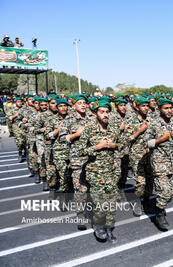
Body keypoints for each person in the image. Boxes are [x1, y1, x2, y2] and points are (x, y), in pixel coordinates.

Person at [78, 100, 120, 243]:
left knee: (112, 204)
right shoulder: (89, 128)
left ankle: (108, 227)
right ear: (96, 113)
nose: (105, 114)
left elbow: (123, 145)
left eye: (107, 111)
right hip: (95, 174)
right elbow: (81, 151)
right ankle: (98, 225)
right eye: (101, 112)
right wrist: (98, 147)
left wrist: (114, 145)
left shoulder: (114, 128)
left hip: (112, 172)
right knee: (101, 205)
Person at [144, 98, 173, 230]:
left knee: (171, 191)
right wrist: (161, 139)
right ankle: (159, 213)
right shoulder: (154, 124)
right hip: (159, 163)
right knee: (164, 191)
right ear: (160, 109)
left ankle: (159, 206)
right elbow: (146, 142)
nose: (169, 110)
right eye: (166, 108)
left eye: (171, 108)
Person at [59, 94, 92, 230]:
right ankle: (80, 213)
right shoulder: (69, 120)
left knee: (93, 187)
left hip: (93, 159)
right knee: (80, 188)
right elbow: (61, 138)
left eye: (84, 102)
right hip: (78, 160)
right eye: (80, 103)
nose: (83, 105)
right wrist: (76, 134)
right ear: (74, 106)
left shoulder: (92, 118)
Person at [124, 97, 153, 217]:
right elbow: (127, 139)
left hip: (150, 155)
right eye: (143, 106)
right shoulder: (131, 120)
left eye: (147, 105)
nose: (145, 108)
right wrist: (141, 130)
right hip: (137, 155)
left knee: (150, 182)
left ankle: (146, 199)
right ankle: (137, 202)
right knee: (140, 182)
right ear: (137, 107)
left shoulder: (152, 119)